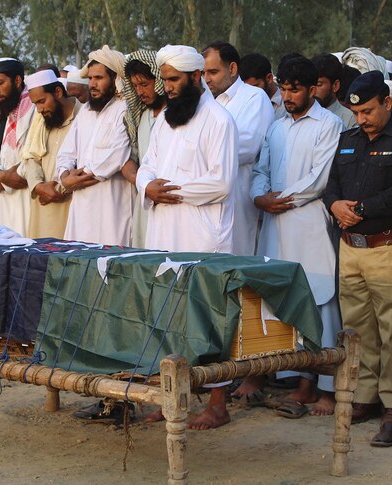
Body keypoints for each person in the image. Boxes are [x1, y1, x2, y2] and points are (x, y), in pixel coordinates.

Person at [136, 44, 238, 429]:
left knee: (208, 317)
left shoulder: (219, 120)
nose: (168, 87)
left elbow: (222, 182)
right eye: (164, 79)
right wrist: (148, 189)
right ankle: (170, 398)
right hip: (164, 230)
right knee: (166, 314)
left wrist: (171, 190)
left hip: (202, 233)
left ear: (196, 78)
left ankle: (217, 404)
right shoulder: (164, 120)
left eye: (174, 79)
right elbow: (146, 167)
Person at [323, 71, 392, 445]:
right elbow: (331, 187)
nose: (362, 119)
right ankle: (365, 396)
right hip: (351, 248)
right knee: (357, 329)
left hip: (387, 247)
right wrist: (335, 205)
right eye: (357, 113)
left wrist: (359, 206)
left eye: (370, 111)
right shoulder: (347, 140)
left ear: (388, 104)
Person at [250, 54, 342, 419]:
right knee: (283, 299)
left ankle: (328, 388)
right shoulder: (276, 126)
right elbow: (260, 170)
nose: (288, 96)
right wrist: (260, 197)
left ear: (311, 89)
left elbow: (319, 179)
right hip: (276, 224)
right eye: (284, 89)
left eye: (296, 89)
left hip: (309, 222)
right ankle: (298, 382)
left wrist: (279, 200)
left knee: (321, 301)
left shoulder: (328, 124)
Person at [55, 46, 132, 246]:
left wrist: (75, 179)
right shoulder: (86, 111)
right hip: (81, 205)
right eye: (90, 79)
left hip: (111, 205)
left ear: (115, 79)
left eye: (99, 78)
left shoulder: (124, 110)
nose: (93, 84)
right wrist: (64, 176)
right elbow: (66, 152)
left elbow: (116, 155)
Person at [203, 41, 272, 256]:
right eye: (203, 72)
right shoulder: (204, 101)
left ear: (232, 69)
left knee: (236, 263)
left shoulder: (254, 98)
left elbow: (246, 147)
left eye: (213, 72)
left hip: (238, 200)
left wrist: (198, 154)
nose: (207, 79)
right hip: (204, 200)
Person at [0, 57, 35, 237]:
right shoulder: (0, 111)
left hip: (24, 195)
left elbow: (35, 153)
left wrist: (4, 182)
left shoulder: (34, 107)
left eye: (0, 83)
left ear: (17, 80)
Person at [20, 69, 79, 238]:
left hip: (70, 204)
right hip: (42, 206)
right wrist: (38, 186)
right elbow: (30, 157)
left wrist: (58, 189)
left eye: (42, 101)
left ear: (58, 92)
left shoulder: (83, 116)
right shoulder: (42, 120)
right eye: (35, 104)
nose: (39, 109)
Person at [122, 50, 166, 248]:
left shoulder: (176, 116)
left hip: (169, 200)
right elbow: (130, 158)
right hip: (145, 198)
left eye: (144, 84)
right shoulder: (142, 116)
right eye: (135, 86)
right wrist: (144, 185)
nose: (139, 92)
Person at [310, 54, 357, 130]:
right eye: (310, 84)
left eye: (318, 85)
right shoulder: (298, 116)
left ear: (335, 86)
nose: (312, 90)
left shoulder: (350, 120)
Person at [239, 52, 287, 119]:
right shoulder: (241, 104)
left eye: (255, 87)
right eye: (247, 88)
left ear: (269, 78)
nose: (251, 93)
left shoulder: (287, 105)